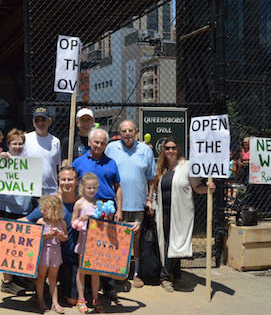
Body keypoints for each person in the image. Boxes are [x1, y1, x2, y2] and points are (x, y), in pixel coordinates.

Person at [155, 137, 215, 292]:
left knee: (177, 242)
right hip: (164, 211)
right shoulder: (161, 168)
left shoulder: (187, 166)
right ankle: (176, 273)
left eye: (173, 148)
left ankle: (165, 277)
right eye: (167, 148)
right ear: (163, 150)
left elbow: (196, 187)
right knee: (169, 242)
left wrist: (209, 188)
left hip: (182, 212)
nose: (170, 151)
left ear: (178, 149)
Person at [71, 127, 121, 301]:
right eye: (96, 142)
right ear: (90, 142)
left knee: (106, 250)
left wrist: (119, 210)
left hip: (106, 211)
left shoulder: (111, 163)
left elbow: (118, 187)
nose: (99, 145)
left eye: (102, 143)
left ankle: (107, 288)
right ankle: (83, 294)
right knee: (86, 254)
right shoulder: (78, 162)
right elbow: (72, 182)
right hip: (86, 210)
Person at [105, 120, 156, 288]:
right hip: (117, 204)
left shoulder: (145, 150)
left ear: (136, 132)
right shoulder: (111, 148)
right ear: (119, 132)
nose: (127, 133)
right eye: (124, 130)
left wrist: (149, 199)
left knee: (136, 239)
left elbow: (151, 178)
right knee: (117, 239)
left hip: (138, 203)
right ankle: (120, 272)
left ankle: (136, 273)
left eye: (130, 130)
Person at [25, 167, 80, 305]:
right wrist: (0, 227)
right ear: (58, 181)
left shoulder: (82, 204)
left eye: (70, 179)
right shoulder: (51, 202)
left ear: (77, 181)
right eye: (63, 179)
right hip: (46, 254)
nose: (67, 183)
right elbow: (26, 220)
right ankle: (36, 285)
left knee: (72, 300)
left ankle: (59, 288)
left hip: (69, 258)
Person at [0, 129, 33, 294]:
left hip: (25, 208)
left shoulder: (28, 162)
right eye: (14, 143)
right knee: (6, 244)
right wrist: (0, 161)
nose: (17, 146)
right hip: (7, 208)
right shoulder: (3, 160)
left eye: (20, 143)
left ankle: (18, 277)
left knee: (21, 245)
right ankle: (7, 282)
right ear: (8, 145)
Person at [71, 173, 102, 314]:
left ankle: (95, 299)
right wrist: (81, 220)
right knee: (82, 270)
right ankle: (81, 299)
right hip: (83, 240)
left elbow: (104, 224)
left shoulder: (99, 203)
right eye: (89, 187)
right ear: (82, 187)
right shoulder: (79, 203)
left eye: (94, 187)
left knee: (95, 271)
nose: (91, 190)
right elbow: (72, 223)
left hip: (96, 242)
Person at [35, 195, 68, 314]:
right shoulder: (41, 222)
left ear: (54, 210)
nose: (42, 211)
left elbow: (65, 238)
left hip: (56, 251)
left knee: (53, 278)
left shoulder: (61, 222)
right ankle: (41, 300)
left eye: (45, 209)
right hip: (44, 251)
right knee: (41, 277)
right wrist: (47, 235)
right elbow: (35, 238)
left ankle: (55, 303)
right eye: (42, 209)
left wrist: (59, 235)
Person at [23, 107, 61, 195]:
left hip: (50, 191)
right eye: (37, 120)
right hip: (30, 190)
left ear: (49, 122)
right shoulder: (26, 139)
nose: (40, 123)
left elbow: (56, 167)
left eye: (43, 119)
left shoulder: (56, 141)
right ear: (33, 122)